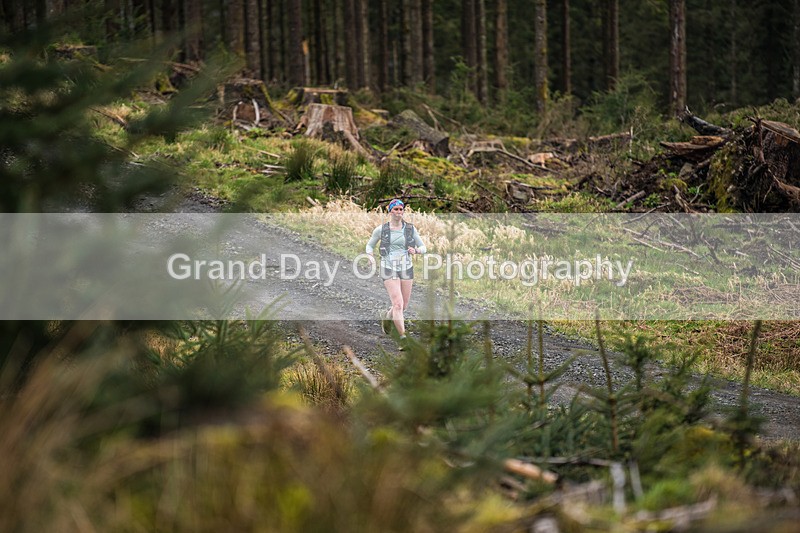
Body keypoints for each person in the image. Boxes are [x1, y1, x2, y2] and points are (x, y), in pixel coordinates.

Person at [365, 199, 426, 341]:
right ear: (390, 211)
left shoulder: (410, 229)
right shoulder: (381, 230)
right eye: (396, 209)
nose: (399, 212)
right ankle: (403, 338)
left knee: (403, 306)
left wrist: (416, 250)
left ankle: (388, 317)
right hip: (388, 267)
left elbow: (424, 247)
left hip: (406, 268)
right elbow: (369, 246)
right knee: (397, 304)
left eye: (401, 209)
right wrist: (370, 257)